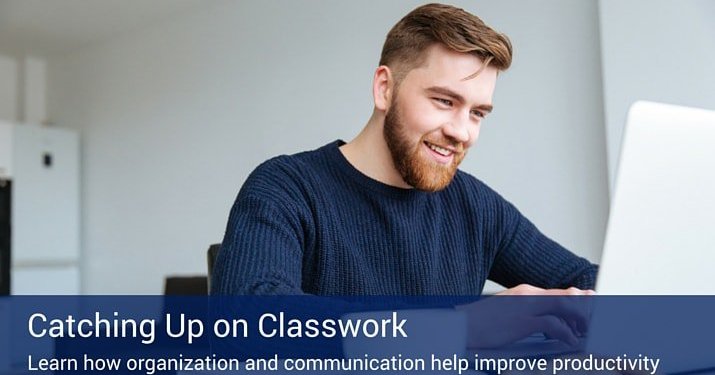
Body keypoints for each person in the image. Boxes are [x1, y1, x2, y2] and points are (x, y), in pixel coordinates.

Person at [212, 3, 597, 299]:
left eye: (477, 112)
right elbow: (249, 324)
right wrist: (468, 326)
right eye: (444, 101)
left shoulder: (476, 208)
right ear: (385, 88)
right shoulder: (286, 189)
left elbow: (587, 278)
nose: (461, 131)